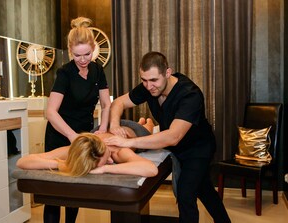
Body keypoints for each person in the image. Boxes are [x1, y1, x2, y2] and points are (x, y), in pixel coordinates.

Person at [105, 52, 231, 223]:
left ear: (168, 72)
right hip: (176, 149)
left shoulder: (190, 95)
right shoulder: (150, 87)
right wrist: (114, 125)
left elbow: (173, 136)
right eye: (144, 80)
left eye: (154, 80)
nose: (148, 86)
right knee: (204, 189)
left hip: (198, 149)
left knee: (186, 194)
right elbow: (118, 102)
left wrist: (128, 142)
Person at [44, 17, 111, 223]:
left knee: (76, 186)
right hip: (60, 133)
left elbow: (106, 104)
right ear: (70, 51)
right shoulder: (65, 73)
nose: (82, 60)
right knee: (54, 192)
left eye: (87, 54)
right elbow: (51, 112)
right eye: (77, 55)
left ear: (94, 48)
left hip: (83, 135)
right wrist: (71, 135)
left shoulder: (98, 70)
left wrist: (102, 129)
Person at [16, 119, 158, 177]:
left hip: (132, 132)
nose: (96, 166)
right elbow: (23, 162)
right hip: (103, 128)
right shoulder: (80, 147)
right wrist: (62, 163)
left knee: (147, 128)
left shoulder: (118, 152)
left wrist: (105, 168)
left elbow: (151, 169)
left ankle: (146, 121)